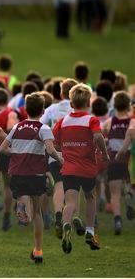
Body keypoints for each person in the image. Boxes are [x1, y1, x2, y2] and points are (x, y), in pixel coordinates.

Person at [0, 93, 63, 263]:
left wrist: (17, 153)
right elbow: (50, 150)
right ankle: (38, 249)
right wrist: (60, 159)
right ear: (43, 111)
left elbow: (2, 148)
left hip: (18, 172)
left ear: (25, 110)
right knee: (38, 213)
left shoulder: (17, 127)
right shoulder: (44, 128)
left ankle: (22, 206)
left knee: (22, 195)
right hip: (36, 174)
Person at [53, 84, 109, 253]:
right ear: (88, 102)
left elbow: (55, 143)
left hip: (69, 168)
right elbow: (98, 136)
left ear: (71, 103)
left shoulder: (63, 122)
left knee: (69, 202)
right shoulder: (91, 120)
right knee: (90, 197)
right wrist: (104, 153)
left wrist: (66, 151)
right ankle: (90, 232)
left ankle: (66, 226)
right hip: (87, 168)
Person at [39, 78, 77, 238]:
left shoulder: (52, 108)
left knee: (59, 185)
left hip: (56, 153)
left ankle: (58, 215)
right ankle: (72, 218)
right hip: (76, 154)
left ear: (61, 93)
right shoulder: (78, 110)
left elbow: (40, 125)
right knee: (73, 188)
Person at [102, 91, 131, 234]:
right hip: (129, 162)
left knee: (114, 194)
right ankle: (130, 199)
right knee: (130, 186)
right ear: (128, 105)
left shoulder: (109, 122)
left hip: (114, 162)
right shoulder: (132, 122)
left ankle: (118, 219)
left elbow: (104, 138)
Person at [0, 88, 19, 231]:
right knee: (8, 186)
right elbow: (12, 128)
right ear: (7, 100)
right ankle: (6, 217)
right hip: (5, 152)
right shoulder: (10, 112)